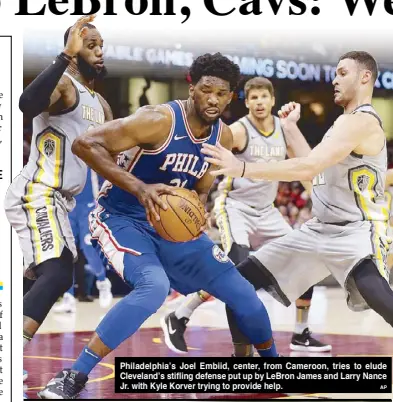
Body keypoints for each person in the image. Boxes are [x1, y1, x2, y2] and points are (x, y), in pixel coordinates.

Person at [38, 53, 279, 400]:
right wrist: (140, 188)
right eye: (206, 90)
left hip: (173, 228)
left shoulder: (222, 138)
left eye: (221, 94)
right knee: (154, 287)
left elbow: (200, 188)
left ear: (230, 97)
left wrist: (197, 210)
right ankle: (73, 376)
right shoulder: (158, 120)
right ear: (191, 86)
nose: (212, 99)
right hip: (122, 217)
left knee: (244, 295)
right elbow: (84, 144)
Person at [201, 52, 393, 346]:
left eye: (343, 73)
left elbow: (308, 167)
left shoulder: (362, 121)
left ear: (365, 77)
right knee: (237, 284)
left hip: (358, 230)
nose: (335, 79)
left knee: (381, 299)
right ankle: (244, 364)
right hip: (320, 229)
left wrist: (242, 167)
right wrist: (290, 128)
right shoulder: (344, 122)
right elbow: (314, 173)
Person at [162, 77, 331, 355]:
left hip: (267, 212)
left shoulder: (283, 130)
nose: (259, 102)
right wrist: (198, 201)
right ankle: (183, 314)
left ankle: (300, 333)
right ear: (247, 102)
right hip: (234, 207)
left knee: (304, 258)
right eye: (253, 98)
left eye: (264, 97)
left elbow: (304, 165)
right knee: (235, 272)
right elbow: (209, 162)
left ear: (273, 100)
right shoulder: (238, 131)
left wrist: (320, 199)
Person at [4, 15, 112, 397]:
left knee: (41, 276)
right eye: (89, 44)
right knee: (57, 272)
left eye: (100, 45)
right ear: (72, 53)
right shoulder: (64, 86)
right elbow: (26, 104)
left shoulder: (100, 105)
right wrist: (62, 57)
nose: (98, 51)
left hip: (61, 202)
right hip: (38, 190)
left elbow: (114, 160)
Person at [52, 168, 113, 313]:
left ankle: (102, 281)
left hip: (88, 207)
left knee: (89, 249)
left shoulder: (88, 148)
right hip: (67, 208)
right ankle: (68, 297)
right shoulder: (59, 153)